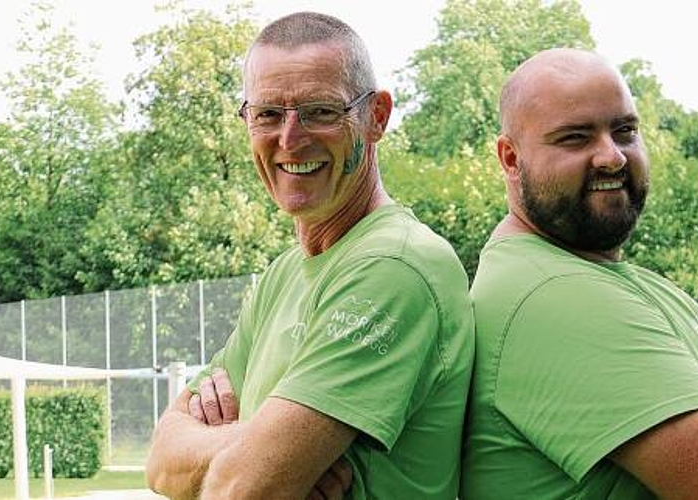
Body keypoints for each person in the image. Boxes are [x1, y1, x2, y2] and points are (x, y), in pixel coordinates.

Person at [461, 48, 698, 500]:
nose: (612, 157)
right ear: (509, 158)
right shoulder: (552, 296)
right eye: (575, 138)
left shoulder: (625, 283)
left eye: (625, 131)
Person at [144, 12, 474, 500]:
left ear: (376, 116)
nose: (289, 139)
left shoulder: (394, 267)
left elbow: (244, 489)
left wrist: (247, 459)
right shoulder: (283, 274)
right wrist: (255, 443)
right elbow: (159, 464)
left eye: (321, 111)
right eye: (268, 114)